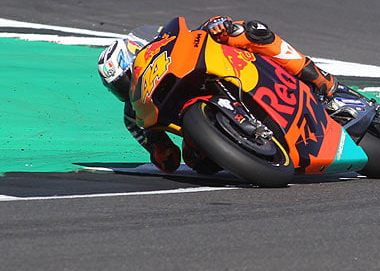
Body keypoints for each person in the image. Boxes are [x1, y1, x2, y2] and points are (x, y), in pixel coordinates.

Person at [97, 16, 338, 173]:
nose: (125, 90)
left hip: (236, 67)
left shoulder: (163, 47)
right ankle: (252, 145)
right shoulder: (134, 117)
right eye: (117, 88)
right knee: (196, 161)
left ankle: (315, 75)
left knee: (247, 31)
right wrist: (156, 143)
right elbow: (168, 160)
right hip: (199, 118)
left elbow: (196, 32)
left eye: (126, 80)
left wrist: (217, 26)